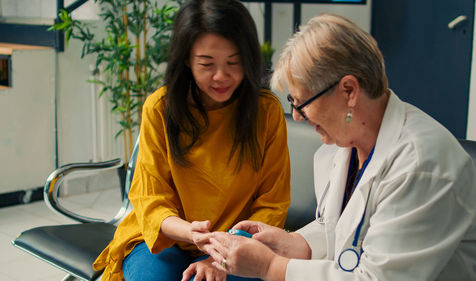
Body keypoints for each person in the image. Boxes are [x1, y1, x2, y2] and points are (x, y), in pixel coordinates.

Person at [204, 13, 476, 280]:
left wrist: (270, 267)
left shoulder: (422, 165)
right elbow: (342, 231)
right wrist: (292, 243)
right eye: (292, 101)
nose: (297, 116)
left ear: (349, 91)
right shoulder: (346, 144)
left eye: (302, 102)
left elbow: (375, 277)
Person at [92, 0, 291, 280]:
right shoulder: (160, 108)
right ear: (186, 59)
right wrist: (190, 232)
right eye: (207, 64)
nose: (221, 76)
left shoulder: (266, 112)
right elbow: (151, 199)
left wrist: (219, 255)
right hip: (165, 237)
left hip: (239, 242)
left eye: (234, 62)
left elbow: (271, 203)